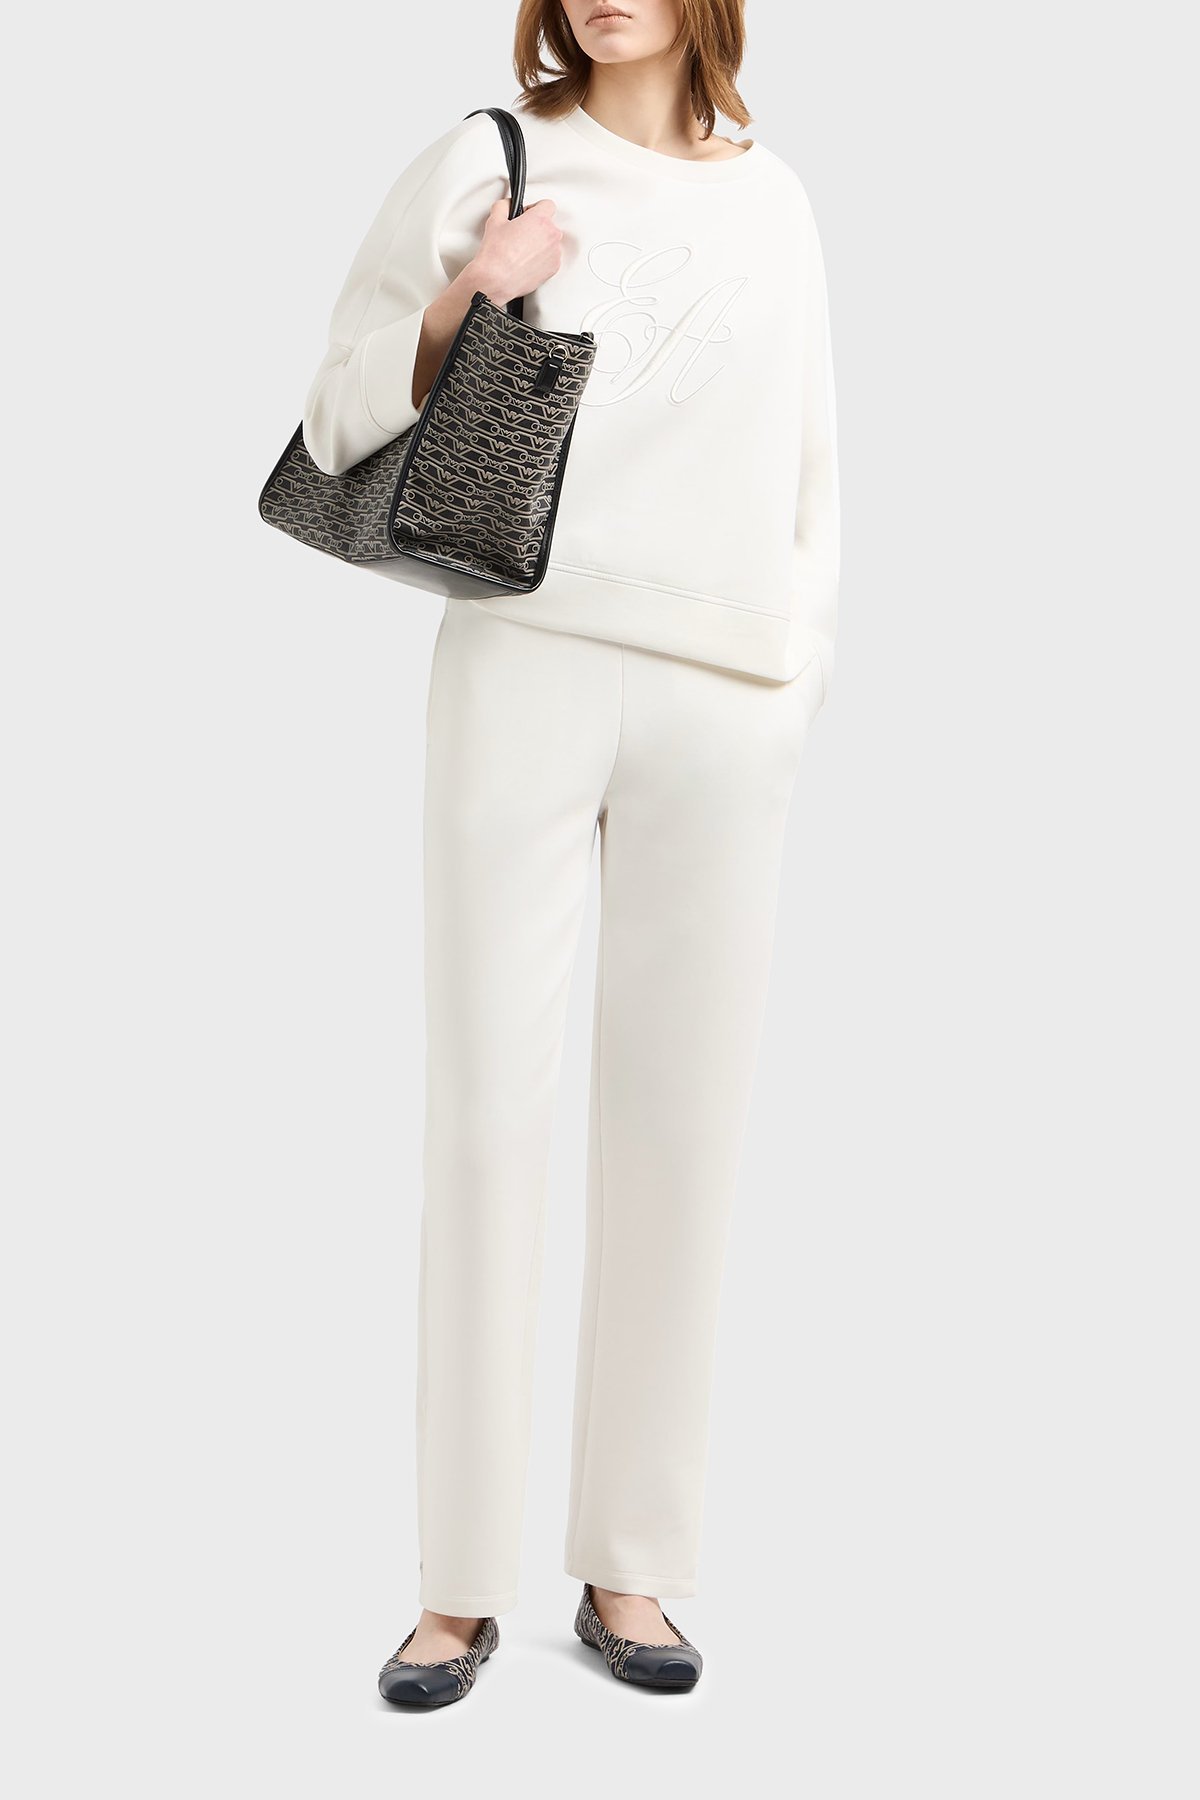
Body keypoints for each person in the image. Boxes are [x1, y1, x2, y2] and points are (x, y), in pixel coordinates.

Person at [301, 0, 839, 1704]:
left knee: (684, 1128)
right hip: (524, 660)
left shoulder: (777, 198)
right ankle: (457, 1587)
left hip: (723, 696)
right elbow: (335, 415)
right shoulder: (494, 156)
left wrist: (788, 686)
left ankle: (634, 1563)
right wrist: (477, 287)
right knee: (487, 1118)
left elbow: (813, 473)